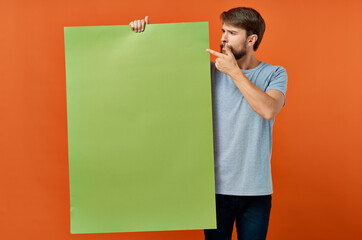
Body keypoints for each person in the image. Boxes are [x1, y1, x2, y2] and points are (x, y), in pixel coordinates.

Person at [129, 7, 287, 240]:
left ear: (251, 39)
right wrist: (142, 35)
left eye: (232, 33)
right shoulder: (208, 72)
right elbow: (157, 70)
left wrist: (234, 72)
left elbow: (268, 109)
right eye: (223, 31)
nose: (223, 38)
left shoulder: (274, 73)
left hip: (256, 192)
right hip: (213, 191)